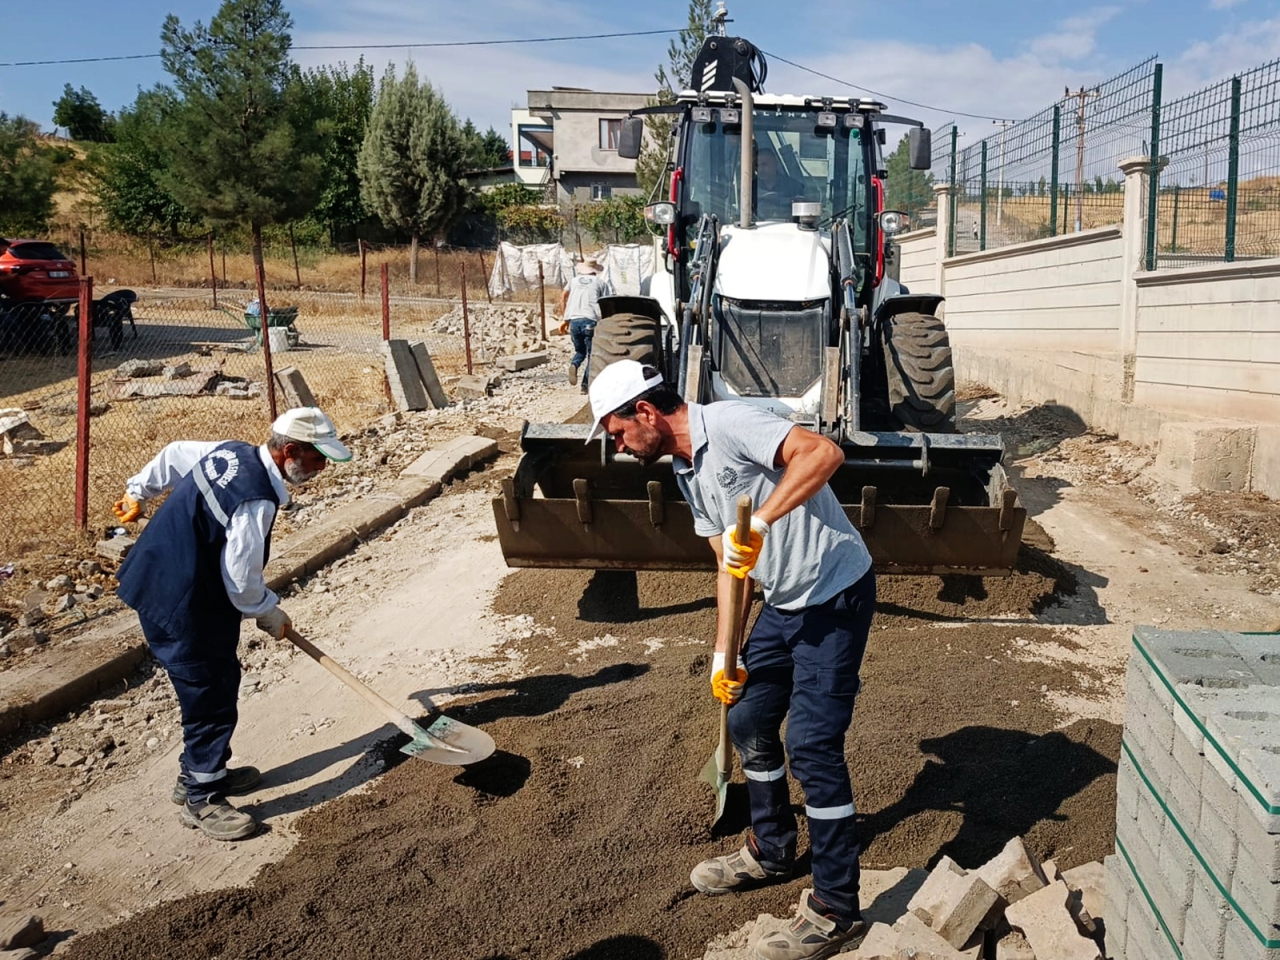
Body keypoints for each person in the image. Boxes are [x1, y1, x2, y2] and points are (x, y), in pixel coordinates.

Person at [586, 361, 876, 960]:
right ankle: (772, 849)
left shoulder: (731, 422)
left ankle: (835, 908)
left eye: (615, 433)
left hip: (835, 594)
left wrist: (765, 521)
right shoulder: (688, 471)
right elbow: (730, 567)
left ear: (645, 412)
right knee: (746, 718)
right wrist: (727, 653)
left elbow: (823, 455)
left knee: (815, 745)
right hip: (784, 602)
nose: (616, 446)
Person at [112, 407, 352, 841]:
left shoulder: (231, 454)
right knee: (210, 692)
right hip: (180, 601)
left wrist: (137, 491)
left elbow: (173, 454)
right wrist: (267, 610)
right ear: (290, 451)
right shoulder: (255, 498)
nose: (321, 470)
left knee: (215, 681)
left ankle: (203, 773)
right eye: (318, 460)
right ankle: (201, 798)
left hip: (159, 577)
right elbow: (241, 580)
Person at [559, 257, 610, 392]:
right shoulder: (601, 283)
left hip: (574, 321)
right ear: (595, 270)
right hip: (590, 321)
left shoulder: (573, 281)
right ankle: (585, 386)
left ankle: (574, 364)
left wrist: (565, 318)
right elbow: (606, 304)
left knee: (580, 351)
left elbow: (563, 296)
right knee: (591, 354)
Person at [755, 149, 809, 220]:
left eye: (764, 165)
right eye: (757, 165)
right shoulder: (751, 187)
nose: (760, 169)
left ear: (775, 164)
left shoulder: (794, 186)